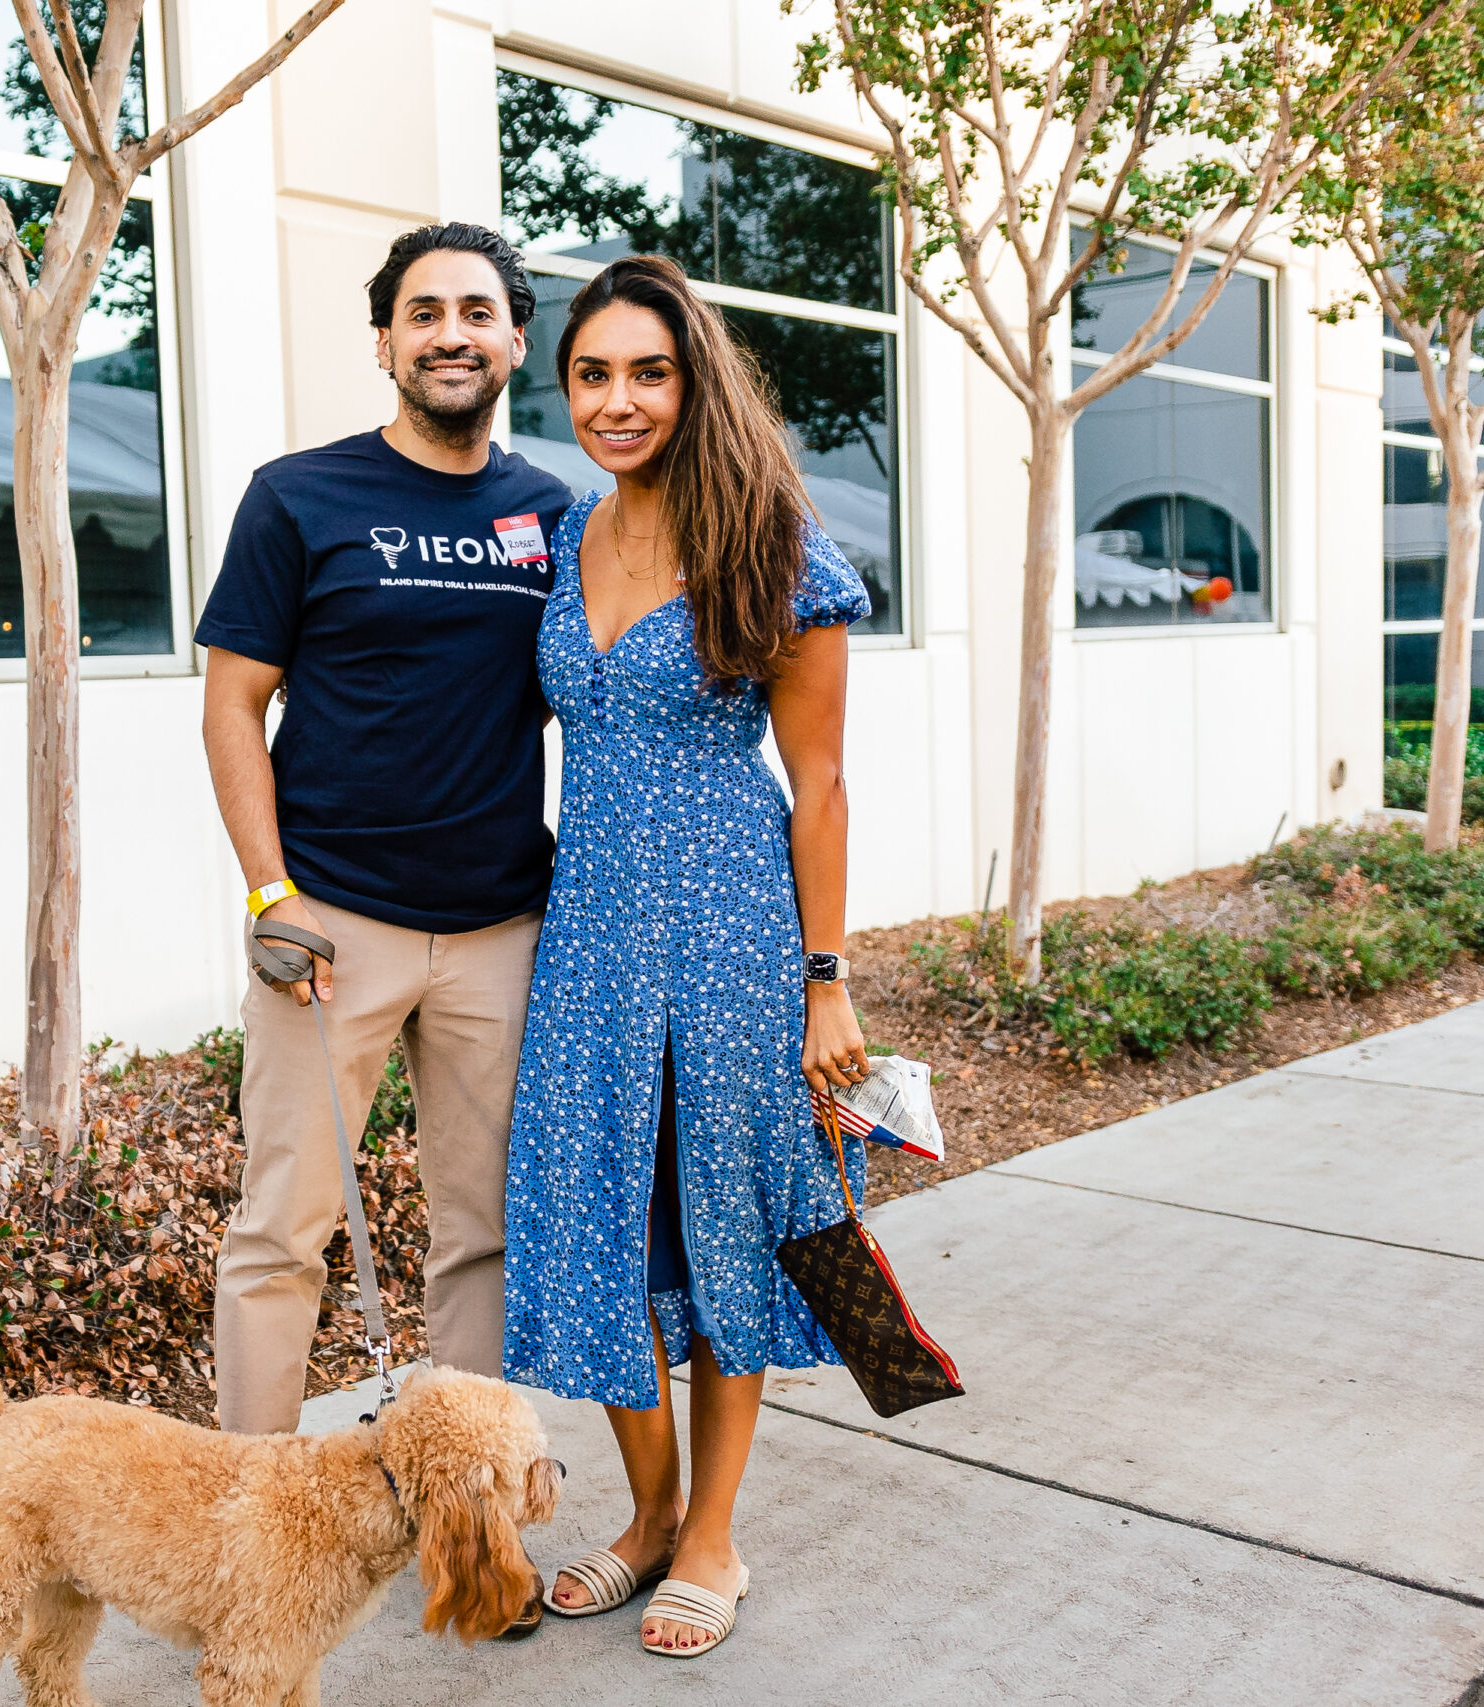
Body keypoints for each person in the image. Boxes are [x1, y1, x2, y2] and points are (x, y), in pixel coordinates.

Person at [502, 255, 875, 1659]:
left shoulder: (773, 541)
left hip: (729, 929)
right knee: (599, 1224)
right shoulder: (569, 533)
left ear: (693, 378)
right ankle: (647, 1511)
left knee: (725, 1222)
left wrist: (824, 977)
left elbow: (822, 781)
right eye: (592, 373)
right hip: (588, 933)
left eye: (647, 371)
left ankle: (713, 1530)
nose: (616, 398)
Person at [194, 222, 570, 1471]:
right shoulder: (299, 495)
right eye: (423, 312)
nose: (450, 333)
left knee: (483, 1234)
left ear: (516, 339)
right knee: (281, 1231)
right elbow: (232, 705)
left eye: (477, 311)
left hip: (500, 930)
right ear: (384, 343)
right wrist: (269, 891)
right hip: (333, 927)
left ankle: (466, 1509)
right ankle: (242, 1515)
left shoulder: (553, 515)